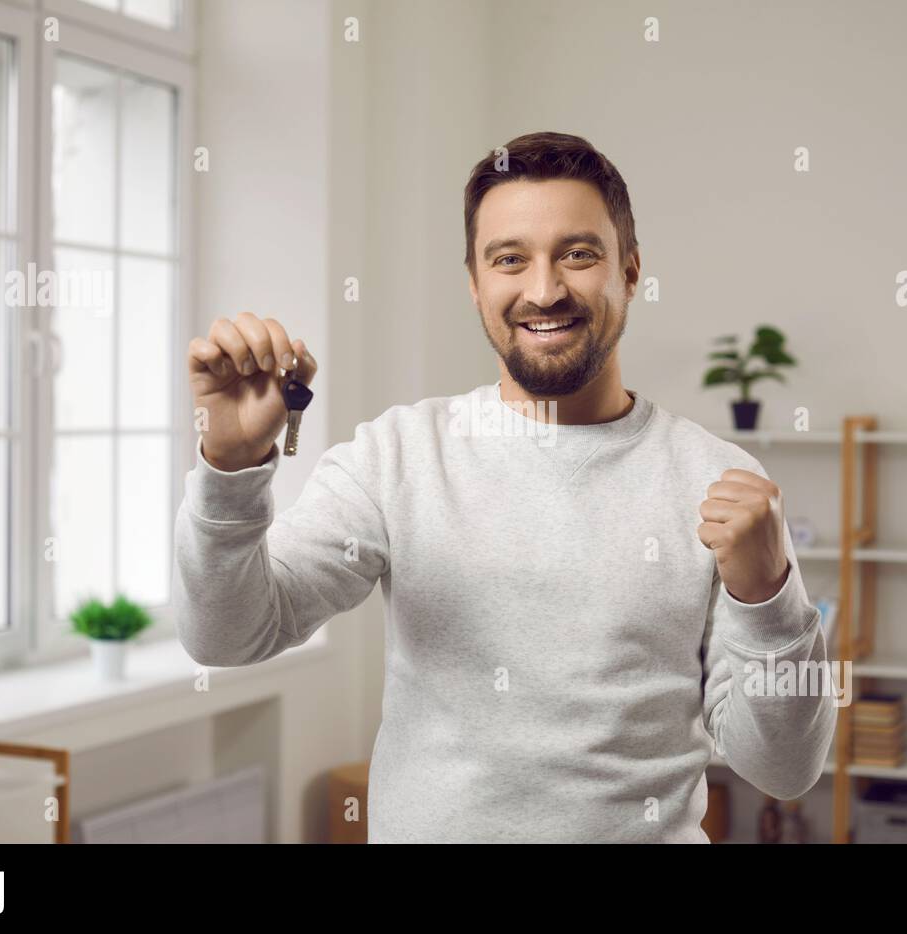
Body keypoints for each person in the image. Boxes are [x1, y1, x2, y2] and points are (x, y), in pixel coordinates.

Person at [174, 131, 835, 843]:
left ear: (631, 270)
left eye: (578, 254)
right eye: (510, 259)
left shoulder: (716, 481)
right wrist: (231, 469)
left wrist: (769, 600)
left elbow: (785, 768)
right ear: (475, 283)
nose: (544, 289)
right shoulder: (397, 458)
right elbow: (227, 637)